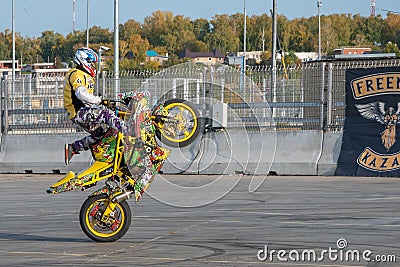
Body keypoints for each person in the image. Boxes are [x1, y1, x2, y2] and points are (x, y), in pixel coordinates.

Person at [63, 47, 126, 165]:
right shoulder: (76, 74)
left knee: (102, 134)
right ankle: (129, 131)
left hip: (83, 112)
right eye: (92, 63)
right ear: (83, 60)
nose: (93, 66)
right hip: (79, 112)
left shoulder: (84, 75)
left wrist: (104, 104)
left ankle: (74, 147)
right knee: (107, 115)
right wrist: (99, 101)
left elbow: (86, 99)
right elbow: (80, 93)